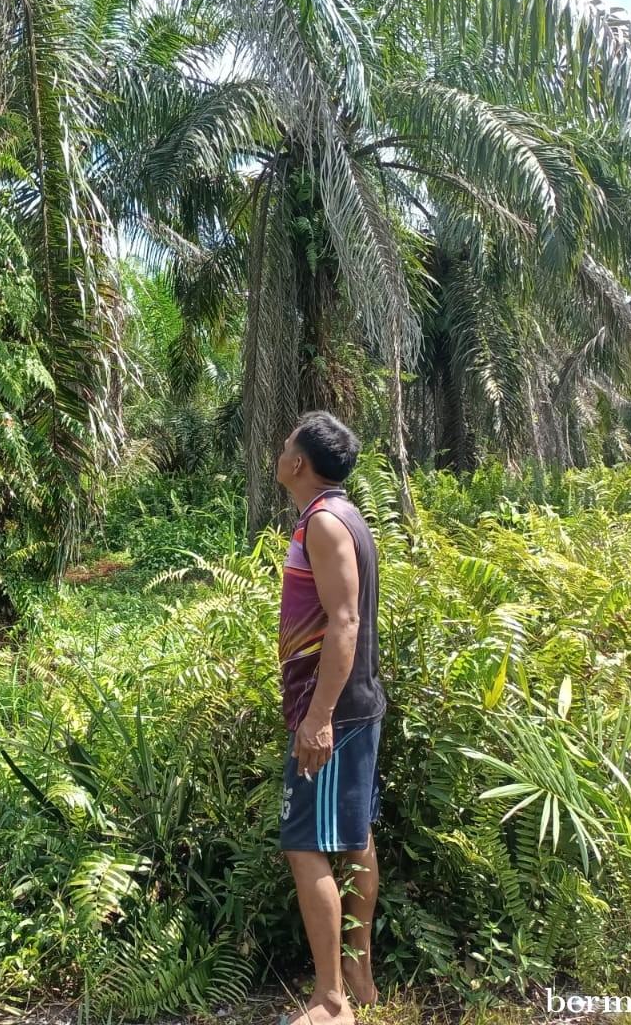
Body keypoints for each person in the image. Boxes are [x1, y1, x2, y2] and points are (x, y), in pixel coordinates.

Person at [275, 411, 386, 1025]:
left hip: (333, 714)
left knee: (306, 845)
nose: (280, 449)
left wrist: (317, 717)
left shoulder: (322, 522)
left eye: (287, 443)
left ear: (299, 463)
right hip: (352, 706)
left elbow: (343, 624)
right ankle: (359, 979)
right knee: (354, 839)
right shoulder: (342, 516)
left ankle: (331, 1000)